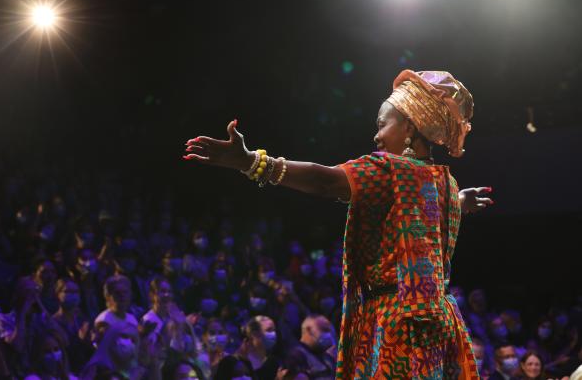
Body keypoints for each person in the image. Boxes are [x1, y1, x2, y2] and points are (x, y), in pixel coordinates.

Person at [183, 69, 492, 378]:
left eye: (382, 125)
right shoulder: (446, 183)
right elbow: (419, 213)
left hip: (396, 325)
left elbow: (324, 181)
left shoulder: (387, 169)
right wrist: (460, 201)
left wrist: (252, 162)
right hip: (437, 326)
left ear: (410, 126)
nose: (376, 135)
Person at [289, 315, 336, 380]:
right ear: (309, 330)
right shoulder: (296, 356)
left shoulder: (326, 356)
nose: (329, 335)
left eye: (329, 331)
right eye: (324, 329)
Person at [237, 315, 281, 380]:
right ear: (255, 334)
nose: (274, 334)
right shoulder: (241, 365)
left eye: (274, 330)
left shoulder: (272, 362)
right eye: (269, 330)